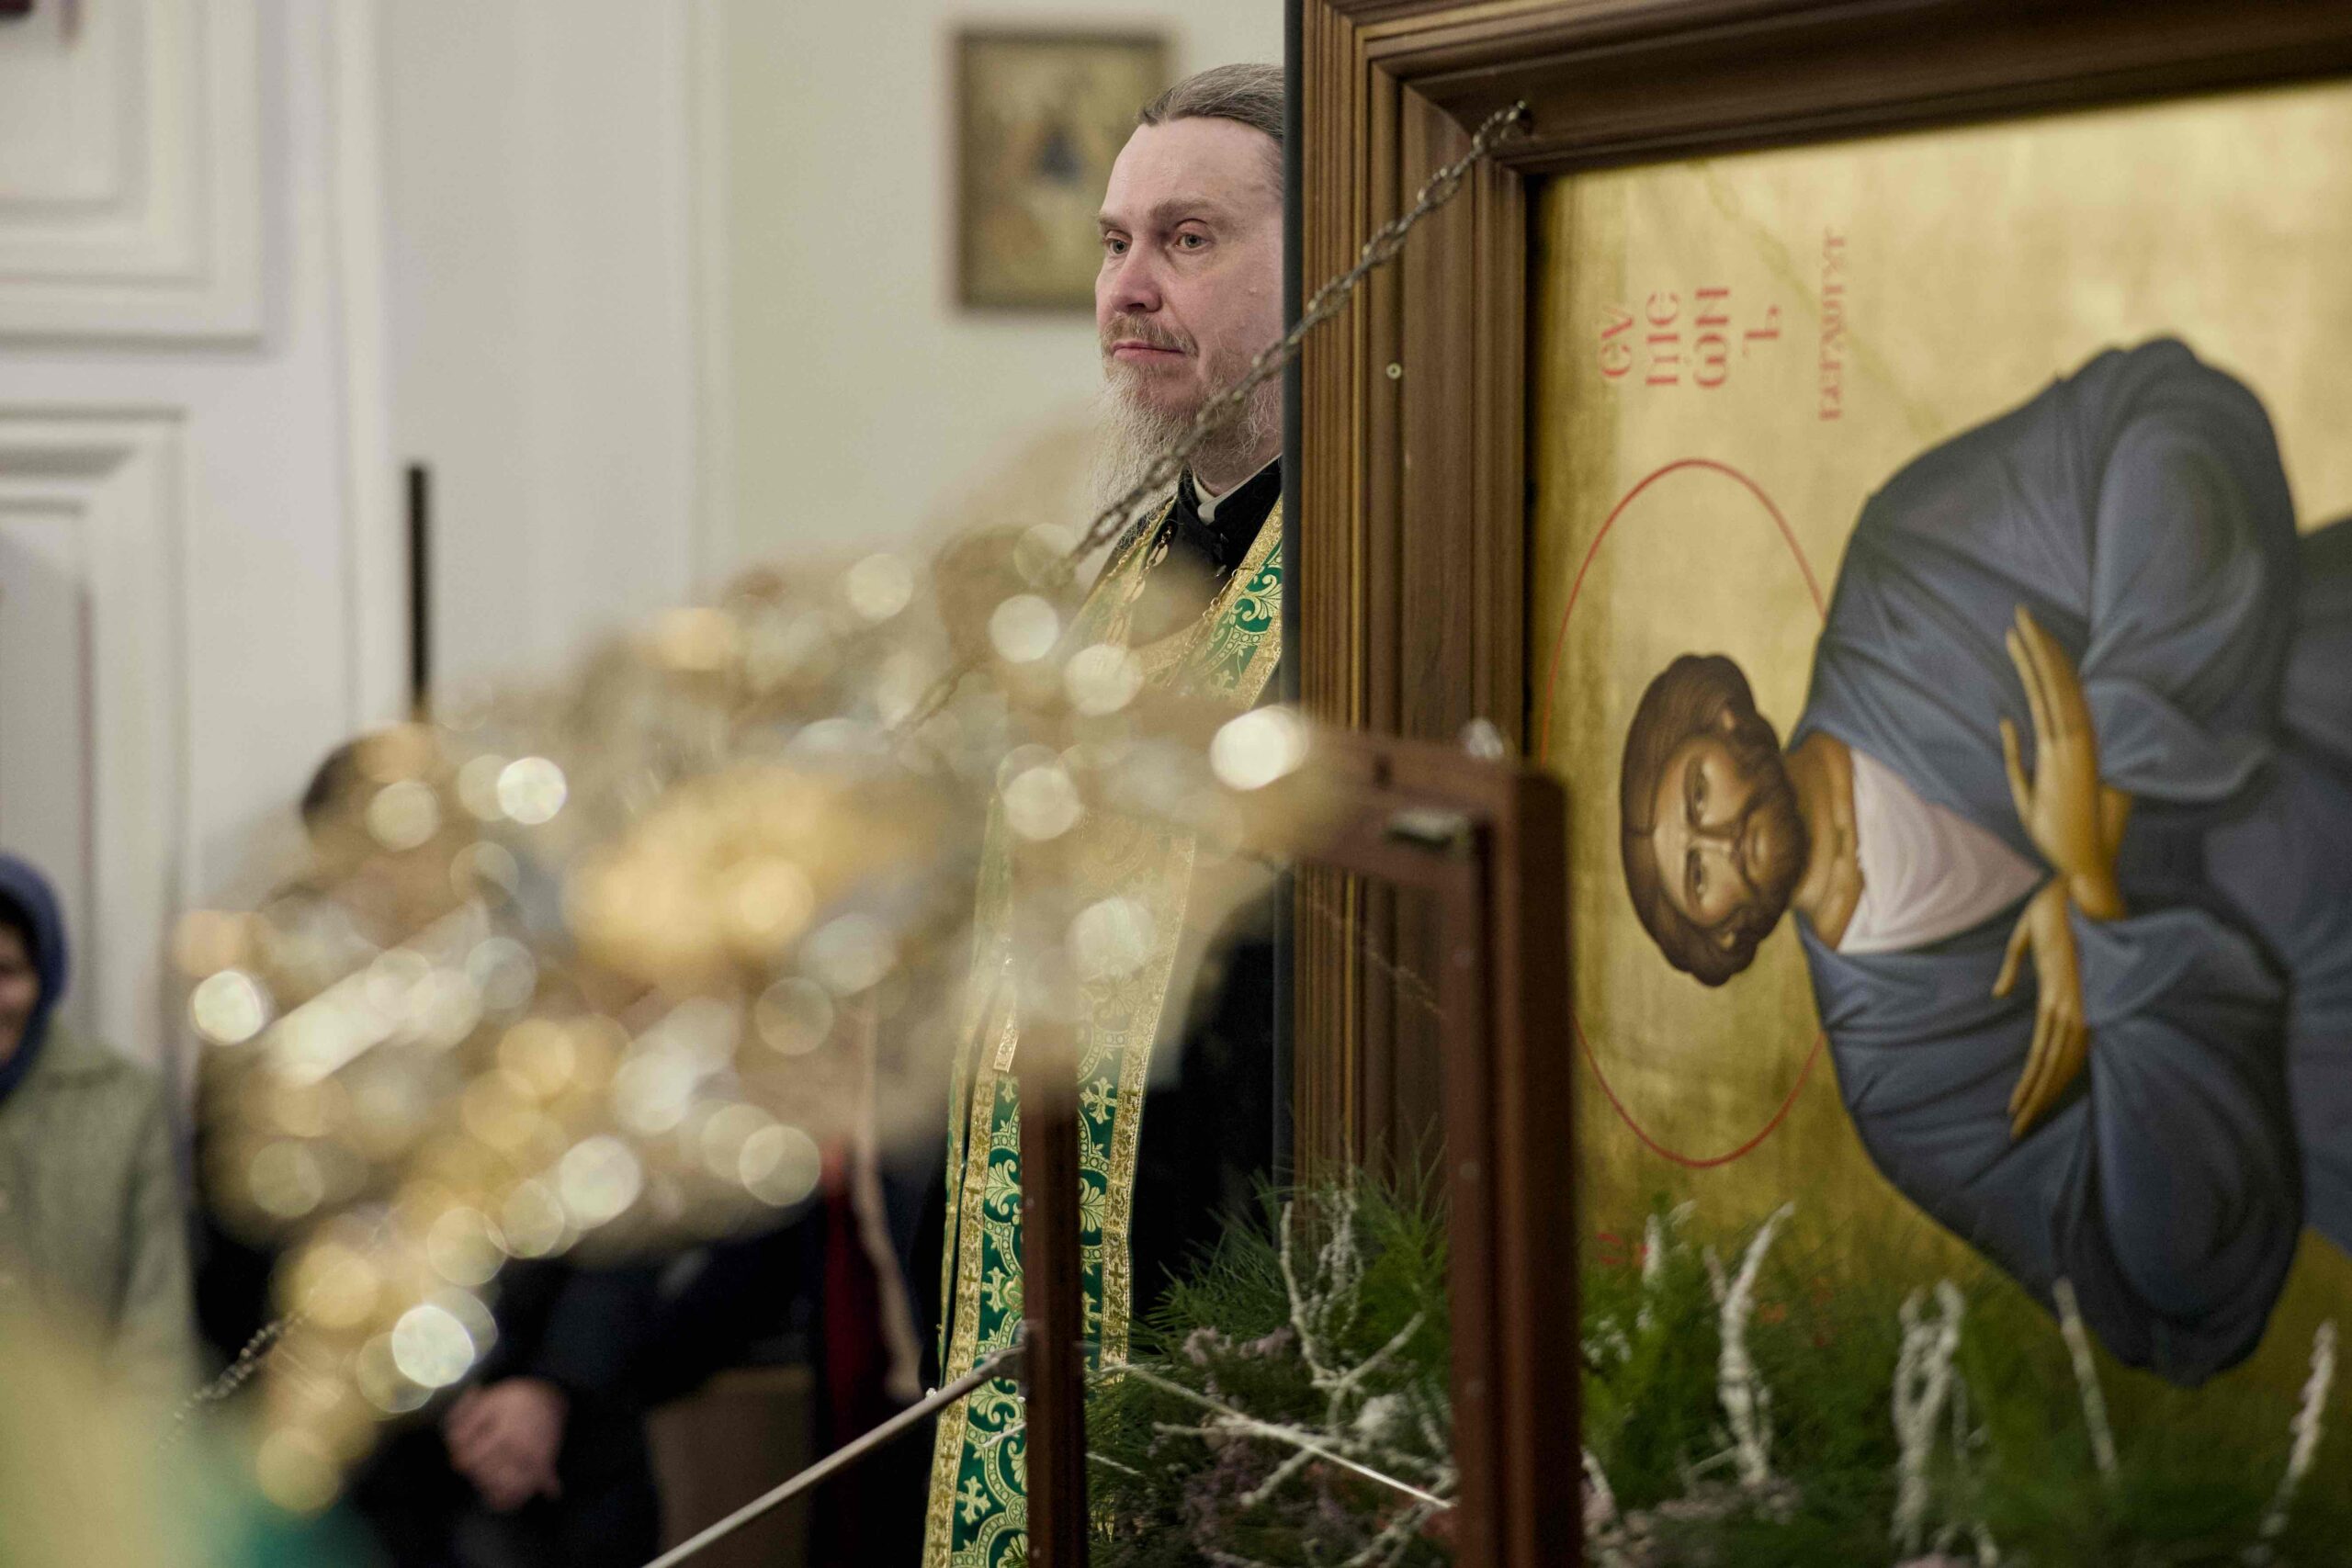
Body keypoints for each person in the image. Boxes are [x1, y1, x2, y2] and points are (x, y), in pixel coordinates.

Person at [1616, 337, 2352, 1385]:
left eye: (1698, 794)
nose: (1718, 837)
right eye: (1698, 875)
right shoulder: (1903, 1081)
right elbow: (2168, 1290)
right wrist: (2095, 912)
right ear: (1728, 930)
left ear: (1733, 723)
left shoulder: (1908, 571)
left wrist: (2110, 778)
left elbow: (2162, 419)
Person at [914, 63, 1290, 1566]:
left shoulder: (1384, 584)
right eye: (1114, 241)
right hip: (1046, 1321)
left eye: (1189, 240)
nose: (1128, 288)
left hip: (1252, 1331)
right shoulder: (1117, 576)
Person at [0, 852, 195, 1404]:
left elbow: (156, 1332)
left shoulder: (125, 1104)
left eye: (5, 972)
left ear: (44, 977)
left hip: (88, 1448)